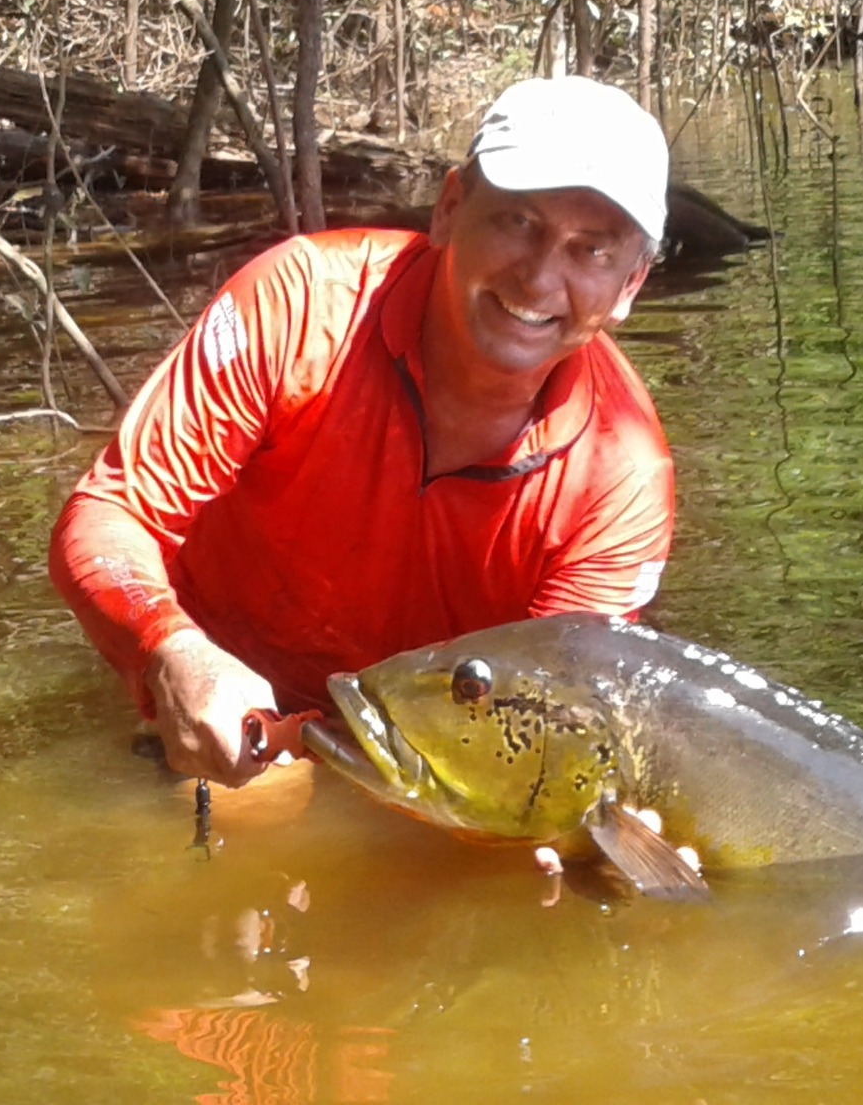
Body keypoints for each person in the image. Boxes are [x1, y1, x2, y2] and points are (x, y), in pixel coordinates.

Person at [48, 75, 675, 788]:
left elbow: (545, 724)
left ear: (630, 286)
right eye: (516, 223)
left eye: (591, 251)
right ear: (448, 210)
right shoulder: (299, 305)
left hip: (414, 758)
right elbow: (109, 513)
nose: (537, 279)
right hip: (206, 714)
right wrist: (168, 646)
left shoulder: (622, 474)